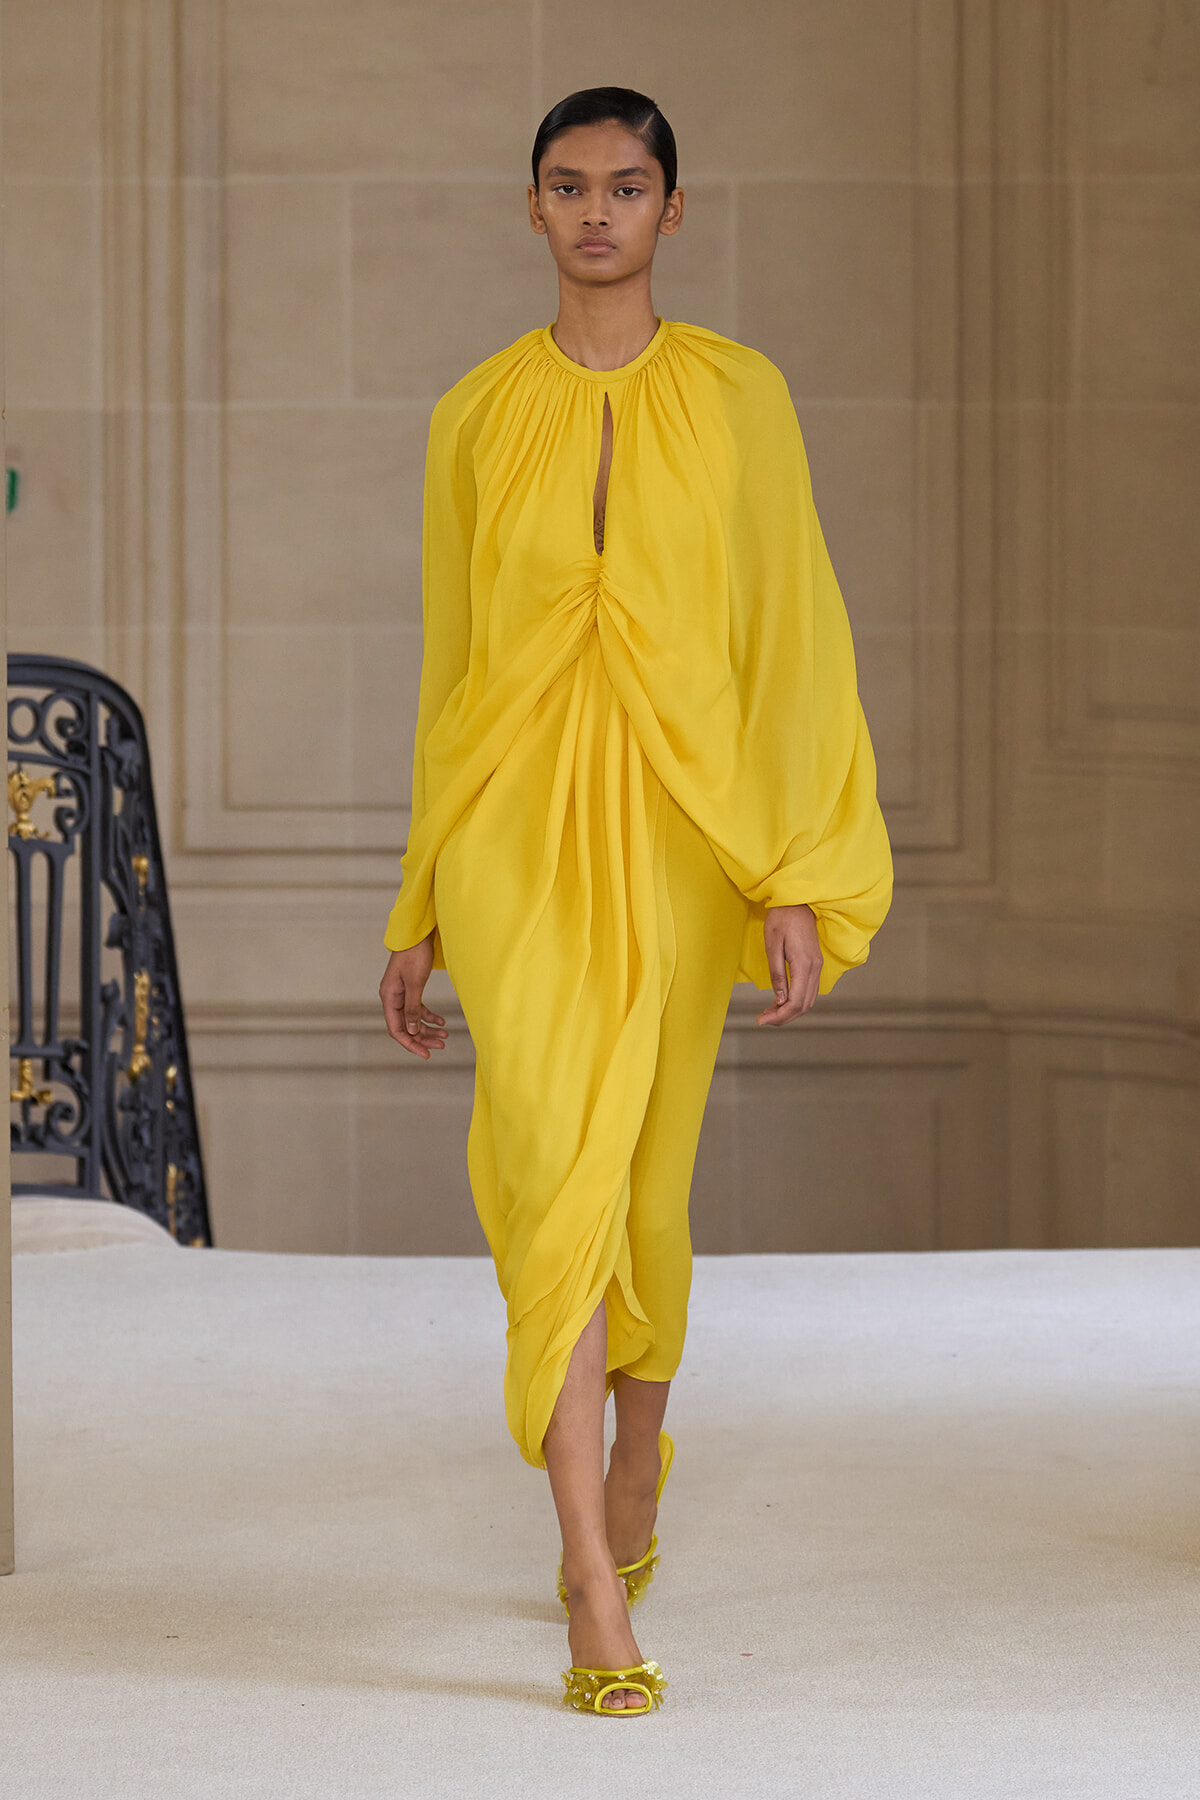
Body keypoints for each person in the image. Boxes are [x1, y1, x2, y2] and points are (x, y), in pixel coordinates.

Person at [378, 86, 893, 1715]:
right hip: (515, 834)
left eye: (626, 186)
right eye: (567, 186)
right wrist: (417, 901)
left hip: (680, 834)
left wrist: (793, 870)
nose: (597, 210)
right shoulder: (474, 415)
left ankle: (644, 1449)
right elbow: (450, 672)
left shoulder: (745, 401)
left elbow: (792, 642)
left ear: (674, 211)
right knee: (548, 1168)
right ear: (531, 210)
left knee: (645, 1173)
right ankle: (592, 1574)